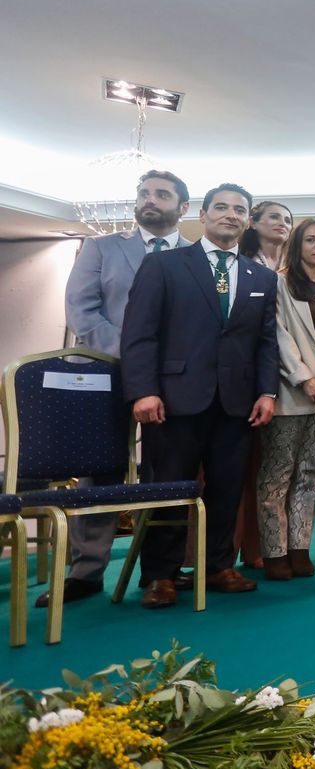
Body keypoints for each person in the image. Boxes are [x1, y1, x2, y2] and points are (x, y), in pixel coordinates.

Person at [121, 183, 280, 608]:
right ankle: (160, 575)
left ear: (247, 220)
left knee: (227, 490)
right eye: (222, 207)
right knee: (168, 490)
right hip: (172, 400)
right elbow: (139, 334)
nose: (231, 214)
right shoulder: (165, 266)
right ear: (204, 214)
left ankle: (217, 567)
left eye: (240, 209)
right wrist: (143, 391)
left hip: (238, 403)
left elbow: (266, 342)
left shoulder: (261, 277)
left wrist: (267, 391)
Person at [54, 169, 190, 607]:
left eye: (162, 194)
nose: (151, 200)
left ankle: (159, 571)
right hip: (103, 374)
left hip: (173, 381)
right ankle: (86, 569)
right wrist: (137, 356)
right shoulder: (101, 248)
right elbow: (83, 312)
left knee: (165, 472)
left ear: (182, 208)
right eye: (144, 193)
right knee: (100, 470)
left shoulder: (197, 257)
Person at [257, 219, 315, 580]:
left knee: (310, 474)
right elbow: (277, 335)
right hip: (291, 392)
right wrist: (305, 378)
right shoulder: (279, 284)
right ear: (296, 246)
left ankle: (299, 547)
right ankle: (274, 551)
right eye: (310, 240)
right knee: (277, 474)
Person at [233, 198, 293, 570]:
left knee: (267, 469)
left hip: (283, 383)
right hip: (240, 379)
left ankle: (258, 548)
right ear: (252, 222)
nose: (282, 223)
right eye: (273, 216)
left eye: (287, 219)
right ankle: (223, 548)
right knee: (232, 469)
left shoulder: (293, 268)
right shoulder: (237, 265)